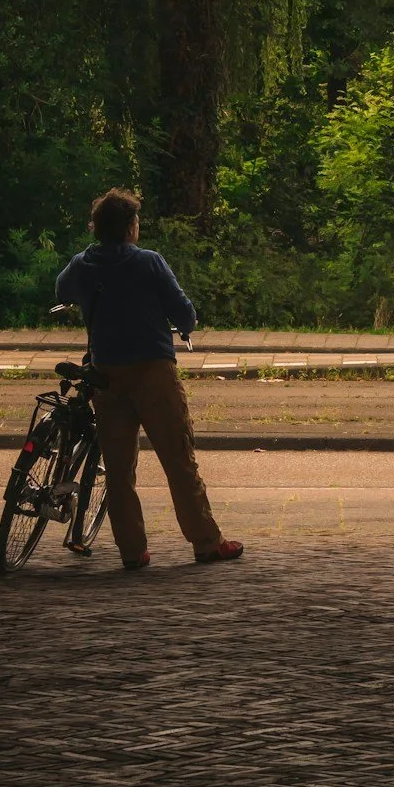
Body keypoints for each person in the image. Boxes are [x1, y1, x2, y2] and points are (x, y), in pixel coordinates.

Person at [55, 188, 244, 571]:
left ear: (97, 229)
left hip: (105, 376)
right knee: (178, 460)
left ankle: (132, 551)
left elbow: (62, 291)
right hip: (152, 374)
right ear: (129, 228)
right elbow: (183, 312)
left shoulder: (82, 264)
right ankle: (206, 542)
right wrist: (184, 323)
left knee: (119, 470)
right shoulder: (149, 263)